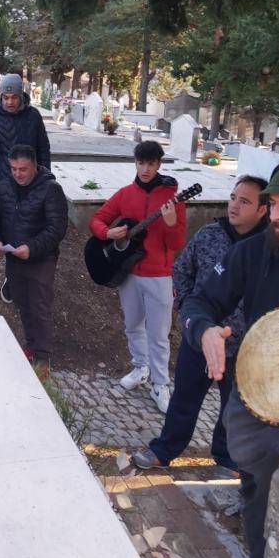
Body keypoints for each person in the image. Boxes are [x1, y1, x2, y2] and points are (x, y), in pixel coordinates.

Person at [182, 159, 279, 558]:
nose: (277, 215)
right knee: (255, 489)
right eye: (274, 204)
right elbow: (201, 299)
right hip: (255, 401)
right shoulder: (250, 252)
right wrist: (203, 329)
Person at [133, 176, 268, 471]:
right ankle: (165, 449)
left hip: (244, 348)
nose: (234, 205)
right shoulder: (210, 234)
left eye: (245, 201)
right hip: (200, 340)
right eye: (233, 197)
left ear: (263, 210)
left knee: (233, 409)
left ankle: (227, 459)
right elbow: (182, 269)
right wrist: (188, 309)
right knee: (184, 398)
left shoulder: (270, 248)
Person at [89, 141, 187, 413]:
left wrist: (169, 224)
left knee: (158, 333)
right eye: (141, 163)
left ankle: (160, 383)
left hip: (158, 275)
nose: (145, 169)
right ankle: (140, 367)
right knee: (133, 325)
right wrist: (107, 233)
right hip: (129, 272)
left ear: (159, 165)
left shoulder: (172, 199)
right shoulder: (125, 194)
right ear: (135, 163)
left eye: (151, 164)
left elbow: (177, 242)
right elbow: (97, 219)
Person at [0, 144, 68, 380]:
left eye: (23, 169)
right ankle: (30, 345)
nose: (18, 174)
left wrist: (32, 248)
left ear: (34, 166)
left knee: (40, 306)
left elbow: (57, 228)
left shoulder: (51, 190)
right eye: (13, 169)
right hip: (14, 257)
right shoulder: (6, 186)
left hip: (40, 259)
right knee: (22, 303)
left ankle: (42, 358)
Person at [0, 72, 51, 302]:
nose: (10, 101)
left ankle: (30, 273)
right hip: (5, 185)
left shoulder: (33, 117)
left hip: (33, 182)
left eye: (14, 97)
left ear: (21, 96)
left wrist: (46, 179)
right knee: (10, 229)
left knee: (31, 226)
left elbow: (43, 149)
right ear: (0, 96)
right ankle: (13, 277)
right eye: (6, 97)